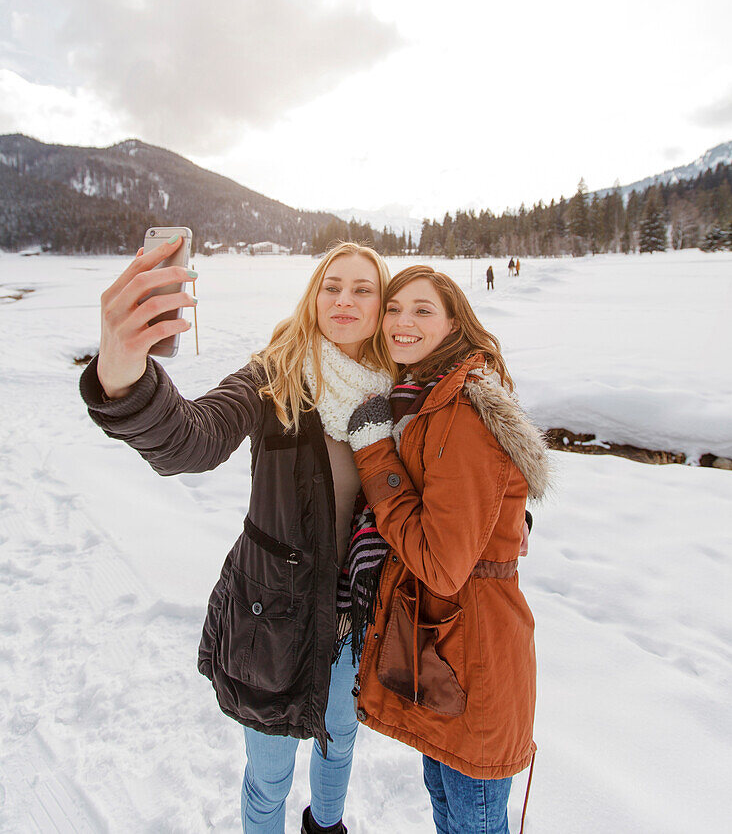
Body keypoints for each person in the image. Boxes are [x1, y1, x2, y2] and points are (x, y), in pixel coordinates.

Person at [79, 240, 396, 834]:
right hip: (272, 617)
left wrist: (507, 517)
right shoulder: (274, 376)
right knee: (270, 775)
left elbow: (445, 474)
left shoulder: (397, 394)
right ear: (313, 297)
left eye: (363, 289)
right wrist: (126, 379)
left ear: (382, 307)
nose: (345, 300)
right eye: (332, 286)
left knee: (340, 741)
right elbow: (193, 438)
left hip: (355, 616)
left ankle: (326, 826)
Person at [344, 265, 551, 834]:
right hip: (446, 649)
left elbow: (440, 562)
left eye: (422, 309)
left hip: (473, 654)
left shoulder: (460, 409)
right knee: (450, 808)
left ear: (455, 320)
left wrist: (374, 453)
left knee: (472, 820)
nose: (401, 322)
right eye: (393, 308)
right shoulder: (427, 396)